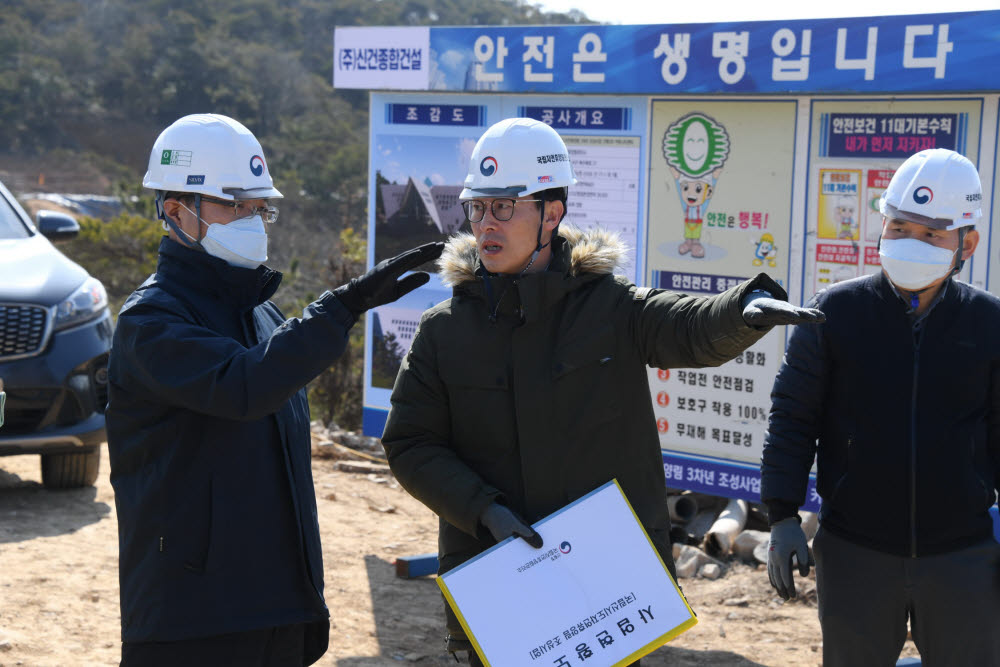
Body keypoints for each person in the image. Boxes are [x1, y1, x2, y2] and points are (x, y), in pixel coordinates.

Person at [380, 117, 825, 665]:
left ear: (551, 213)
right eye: (476, 207)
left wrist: (743, 311)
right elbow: (410, 443)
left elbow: (684, 324)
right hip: (496, 571)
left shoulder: (610, 307)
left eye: (503, 207)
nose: (484, 224)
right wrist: (482, 510)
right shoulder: (444, 330)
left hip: (604, 578)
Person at [106, 113, 442, 666]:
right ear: (174, 210)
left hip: (275, 608)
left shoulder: (264, 314)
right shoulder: (151, 322)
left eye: (259, 207)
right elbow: (243, 386)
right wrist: (343, 305)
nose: (253, 220)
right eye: (235, 205)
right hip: (192, 619)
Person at [761, 148, 1000, 666]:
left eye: (932, 235)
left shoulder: (989, 323)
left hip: (963, 556)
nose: (911, 244)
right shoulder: (834, 312)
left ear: (968, 242)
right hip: (855, 553)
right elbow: (792, 419)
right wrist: (781, 515)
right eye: (898, 228)